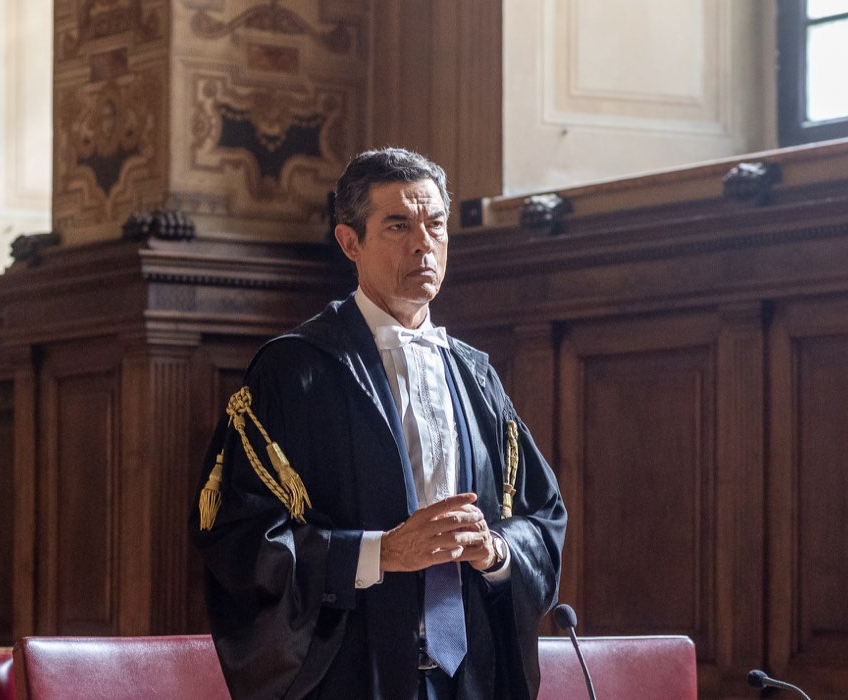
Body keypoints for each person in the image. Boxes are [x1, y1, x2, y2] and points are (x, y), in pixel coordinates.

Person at [190, 147, 566, 699]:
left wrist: (496, 551)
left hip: (471, 679)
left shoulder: (476, 374)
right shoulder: (295, 371)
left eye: (436, 224)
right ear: (350, 242)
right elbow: (240, 538)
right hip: (353, 674)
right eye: (398, 225)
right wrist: (380, 553)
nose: (423, 243)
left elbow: (543, 517)